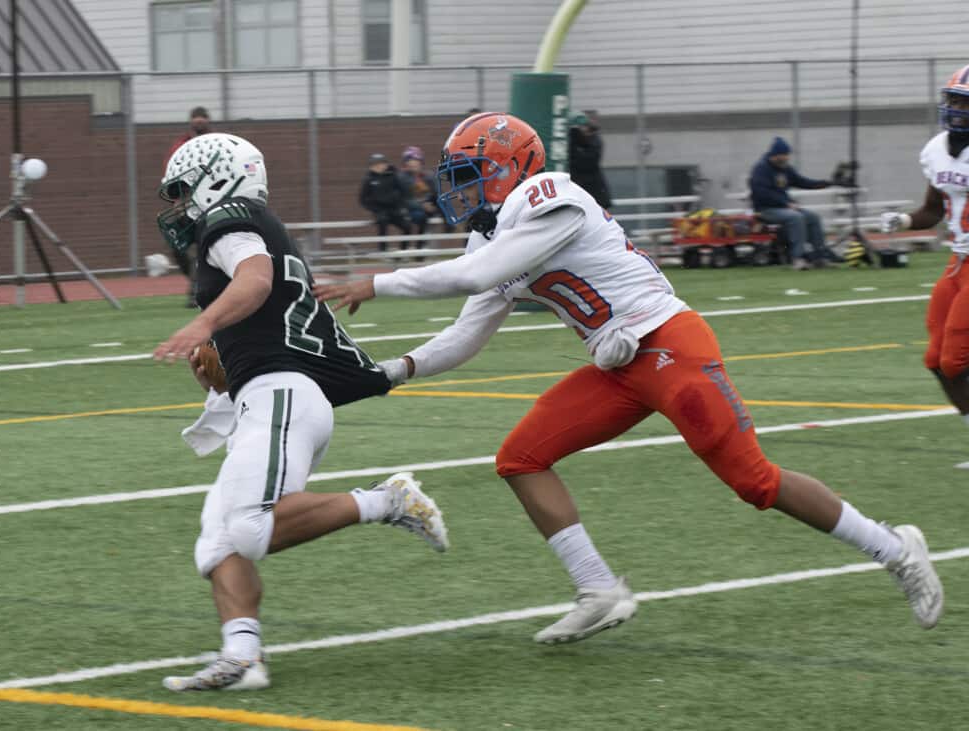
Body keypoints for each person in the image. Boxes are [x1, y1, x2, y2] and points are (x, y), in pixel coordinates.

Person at [315, 112, 943, 644]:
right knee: (521, 458)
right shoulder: (499, 235)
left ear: (511, 167)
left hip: (669, 347)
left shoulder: (551, 195)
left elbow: (477, 277)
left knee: (754, 481)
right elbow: (466, 331)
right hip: (617, 365)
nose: (458, 190)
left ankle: (895, 549)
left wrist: (377, 281)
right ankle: (597, 589)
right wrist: (392, 372)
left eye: (470, 174)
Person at [153, 133, 449, 691]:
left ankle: (386, 501)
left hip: (282, 395)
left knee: (247, 527)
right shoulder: (251, 224)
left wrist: (204, 324)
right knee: (216, 541)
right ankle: (243, 658)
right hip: (271, 396)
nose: (181, 204)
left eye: (185, 189)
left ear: (218, 177)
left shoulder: (233, 217)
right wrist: (219, 375)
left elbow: (257, 279)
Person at [881, 64, 969, 468]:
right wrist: (903, 222)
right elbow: (933, 210)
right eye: (952, 99)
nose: (955, 108)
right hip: (958, 261)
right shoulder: (935, 149)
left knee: (956, 358)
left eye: (963, 102)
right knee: (935, 359)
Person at [749, 137, 840, 269]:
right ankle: (798, 258)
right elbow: (762, 193)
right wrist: (785, 203)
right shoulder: (761, 169)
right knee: (796, 217)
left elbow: (802, 182)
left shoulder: (785, 168)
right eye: (785, 155)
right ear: (776, 154)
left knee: (814, 217)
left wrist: (826, 183)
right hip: (765, 209)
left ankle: (820, 258)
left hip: (784, 208)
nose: (787, 158)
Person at [163, 106, 213, 306]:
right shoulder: (181, 144)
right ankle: (194, 281)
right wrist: (176, 199)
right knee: (177, 244)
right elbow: (172, 170)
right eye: (196, 117)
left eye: (202, 117)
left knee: (203, 245)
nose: (199, 120)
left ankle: (196, 290)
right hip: (186, 200)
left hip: (210, 200)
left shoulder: (216, 141)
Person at [397, 145, 451, 253]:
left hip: (428, 208)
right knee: (420, 217)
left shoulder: (428, 176)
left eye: (416, 160)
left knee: (440, 199)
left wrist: (429, 204)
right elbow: (403, 199)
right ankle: (413, 249)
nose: (413, 163)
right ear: (406, 163)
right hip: (410, 210)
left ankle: (448, 222)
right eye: (410, 160)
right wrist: (422, 205)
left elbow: (436, 193)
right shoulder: (401, 177)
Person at [359, 153, 411, 252]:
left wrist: (401, 206)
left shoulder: (393, 176)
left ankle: (403, 252)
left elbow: (404, 192)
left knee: (407, 226)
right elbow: (363, 199)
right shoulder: (369, 179)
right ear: (371, 167)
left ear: (386, 165)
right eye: (375, 165)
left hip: (394, 209)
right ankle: (383, 250)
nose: (378, 167)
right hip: (380, 211)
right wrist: (374, 209)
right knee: (382, 222)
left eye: (381, 164)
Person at [568, 111, 612, 209]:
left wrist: (574, 137)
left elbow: (587, 162)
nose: (586, 130)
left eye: (586, 127)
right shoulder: (575, 143)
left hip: (596, 197)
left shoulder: (594, 141)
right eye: (583, 127)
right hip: (583, 198)